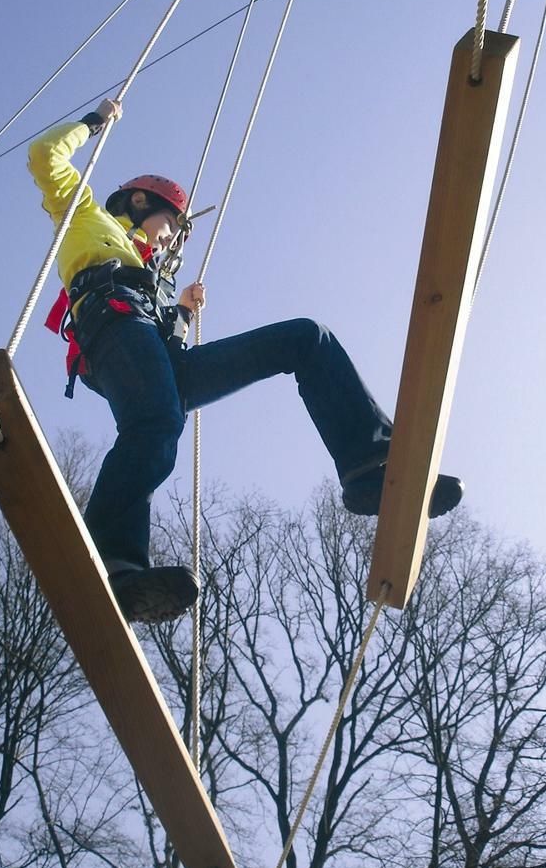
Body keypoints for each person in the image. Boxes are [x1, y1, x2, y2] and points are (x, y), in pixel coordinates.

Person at [28, 99, 463, 623]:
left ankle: (369, 465)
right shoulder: (87, 213)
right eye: (172, 225)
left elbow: (166, 355)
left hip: (149, 344)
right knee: (155, 424)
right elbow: (43, 154)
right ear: (141, 201)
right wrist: (95, 123)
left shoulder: (155, 277)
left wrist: (182, 315)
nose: (172, 240)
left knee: (306, 338)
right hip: (110, 324)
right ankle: (112, 560)